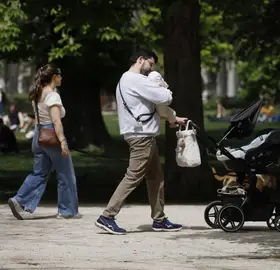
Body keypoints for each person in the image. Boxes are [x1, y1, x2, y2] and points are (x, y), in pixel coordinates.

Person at [95, 49, 187, 234]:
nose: (151, 69)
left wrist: (172, 118)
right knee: (133, 176)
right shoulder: (137, 80)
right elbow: (165, 98)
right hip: (141, 138)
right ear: (140, 60)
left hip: (143, 136)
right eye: (150, 64)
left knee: (155, 178)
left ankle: (159, 219)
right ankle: (107, 216)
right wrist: (159, 81)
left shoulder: (126, 79)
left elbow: (152, 107)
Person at [8, 64, 81, 220]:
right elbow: (56, 121)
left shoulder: (37, 94)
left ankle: (19, 200)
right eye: (60, 75)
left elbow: (38, 119)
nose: (62, 78)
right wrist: (62, 141)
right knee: (65, 173)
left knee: (39, 173)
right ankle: (67, 210)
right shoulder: (53, 95)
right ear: (54, 77)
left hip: (38, 134)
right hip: (52, 135)